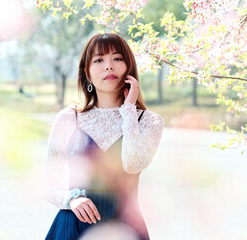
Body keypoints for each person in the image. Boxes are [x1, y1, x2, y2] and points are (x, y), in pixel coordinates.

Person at [42, 33, 164, 240]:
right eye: (99, 60)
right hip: (73, 226)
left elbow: (132, 165)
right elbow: (45, 185)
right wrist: (70, 200)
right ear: (87, 73)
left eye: (117, 58)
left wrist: (128, 111)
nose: (109, 66)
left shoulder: (149, 121)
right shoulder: (68, 118)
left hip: (124, 228)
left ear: (129, 67)